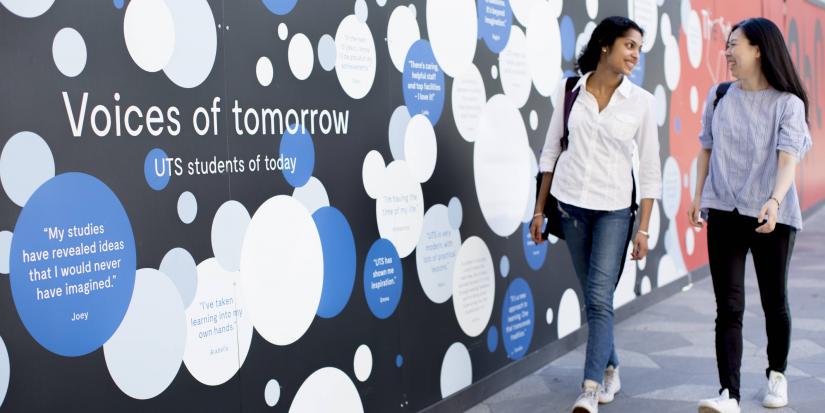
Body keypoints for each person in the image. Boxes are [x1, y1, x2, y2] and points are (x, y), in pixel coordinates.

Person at [531, 16, 662, 413]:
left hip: (614, 213)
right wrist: (539, 210)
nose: (635, 55)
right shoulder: (570, 90)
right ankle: (612, 367)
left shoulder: (641, 102)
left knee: (600, 298)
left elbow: (651, 170)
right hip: (570, 208)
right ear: (606, 45)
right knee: (595, 299)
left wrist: (643, 229)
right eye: (629, 45)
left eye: (639, 48)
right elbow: (551, 151)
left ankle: (589, 388)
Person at [690, 17, 812, 413]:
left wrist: (775, 201)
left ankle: (777, 374)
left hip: (770, 215)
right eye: (726, 45)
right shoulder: (719, 95)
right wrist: (698, 196)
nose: (727, 52)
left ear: (758, 49)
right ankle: (730, 394)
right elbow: (705, 148)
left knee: (774, 301)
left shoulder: (787, 104)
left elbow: (788, 159)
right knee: (729, 306)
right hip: (724, 209)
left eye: (734, 45)